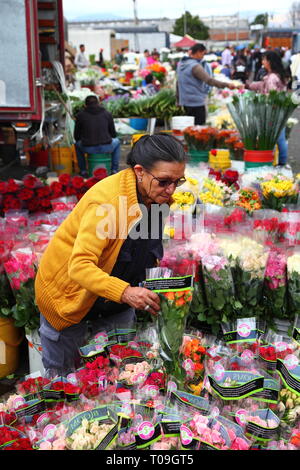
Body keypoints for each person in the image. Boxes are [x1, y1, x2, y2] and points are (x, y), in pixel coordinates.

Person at [34, 134, 187, 375]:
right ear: (139, 171)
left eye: (178, 181)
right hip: (70, 299)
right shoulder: (107, 203)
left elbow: (144, 246)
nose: (171, 190)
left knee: (116, 376)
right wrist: (126, 292)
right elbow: (80, 266)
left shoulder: (156, 197)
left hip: (114, 303)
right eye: (164, 181)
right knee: (63, 382)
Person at [246, 50, 289, 167]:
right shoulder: (273, 75)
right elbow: (261, 85)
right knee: (280, 138)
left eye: (264, 59)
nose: (262, 61)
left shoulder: (272, 78)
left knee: (278, 138)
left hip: (273, 112)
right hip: (278, 111)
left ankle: (281, 163)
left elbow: (271, 97)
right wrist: (249, 85)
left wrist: (265, 106)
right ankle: (281, 162)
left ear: (270, 62)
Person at [177, 43, 237, 125]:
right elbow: (209, 80)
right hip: (196, 102)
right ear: (198, 52)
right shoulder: (195, 66)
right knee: (199, 127)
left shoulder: (181, 64)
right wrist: (227, 85)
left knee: (190, 127)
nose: (203, 56)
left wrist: (178, 100)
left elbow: (178, 83)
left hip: (185, 102)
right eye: (203, 53)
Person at [74, 95, 120, 177]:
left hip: (88, 148)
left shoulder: (80, 115)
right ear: (98, 103)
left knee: (77, 144)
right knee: (117, 142)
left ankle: (83, 171)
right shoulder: (107, 114)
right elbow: (113, 134)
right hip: (106, 147)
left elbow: (76, 136)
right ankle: (114, 170)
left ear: (85, 105)